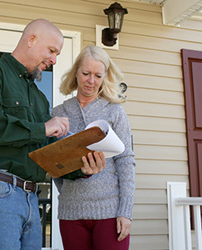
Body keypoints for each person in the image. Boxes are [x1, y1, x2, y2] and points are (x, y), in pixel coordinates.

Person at [0, 20, 105, 250]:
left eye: (58, 54)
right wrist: (43, 128)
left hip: (30, 198)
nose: (54, 60)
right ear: (31, 39)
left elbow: (45, 151)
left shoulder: (39, 98)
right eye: (51, 51)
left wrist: (82, 167)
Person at [52, 45, 136, 250]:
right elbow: (54, 164)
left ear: (105, 77)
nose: (91, 81)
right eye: (86, 73)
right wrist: (67, 192)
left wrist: (125, 211)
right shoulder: (59, 112)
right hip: (71, 212)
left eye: (98, 75)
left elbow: (126, 161)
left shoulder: (114, 112)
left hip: (110, 212)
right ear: (76, 73)